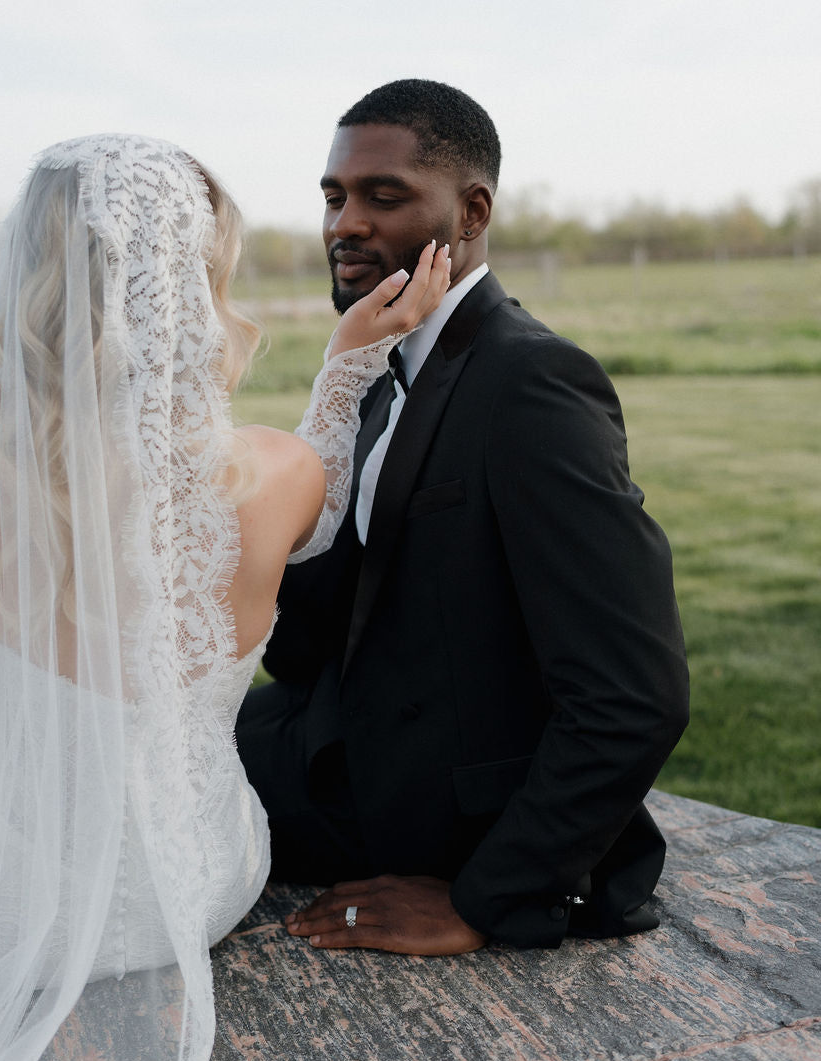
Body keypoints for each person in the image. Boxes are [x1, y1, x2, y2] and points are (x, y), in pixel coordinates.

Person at [0, 133, 450, 1061]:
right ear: (194, 285)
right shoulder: (274, 477)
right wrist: (349, 367)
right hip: (182, 887)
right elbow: (325, 503)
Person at [236, 79, 690, 955]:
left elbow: (636, 692)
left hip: (440, 809)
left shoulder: (533, 384)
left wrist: (482, 903)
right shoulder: (381, 363)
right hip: (334, 729)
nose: (345, 224)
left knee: (130, 806)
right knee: (127, 759)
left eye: (384, 195)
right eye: (334, 197)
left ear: (472, 210)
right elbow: (307, 637)